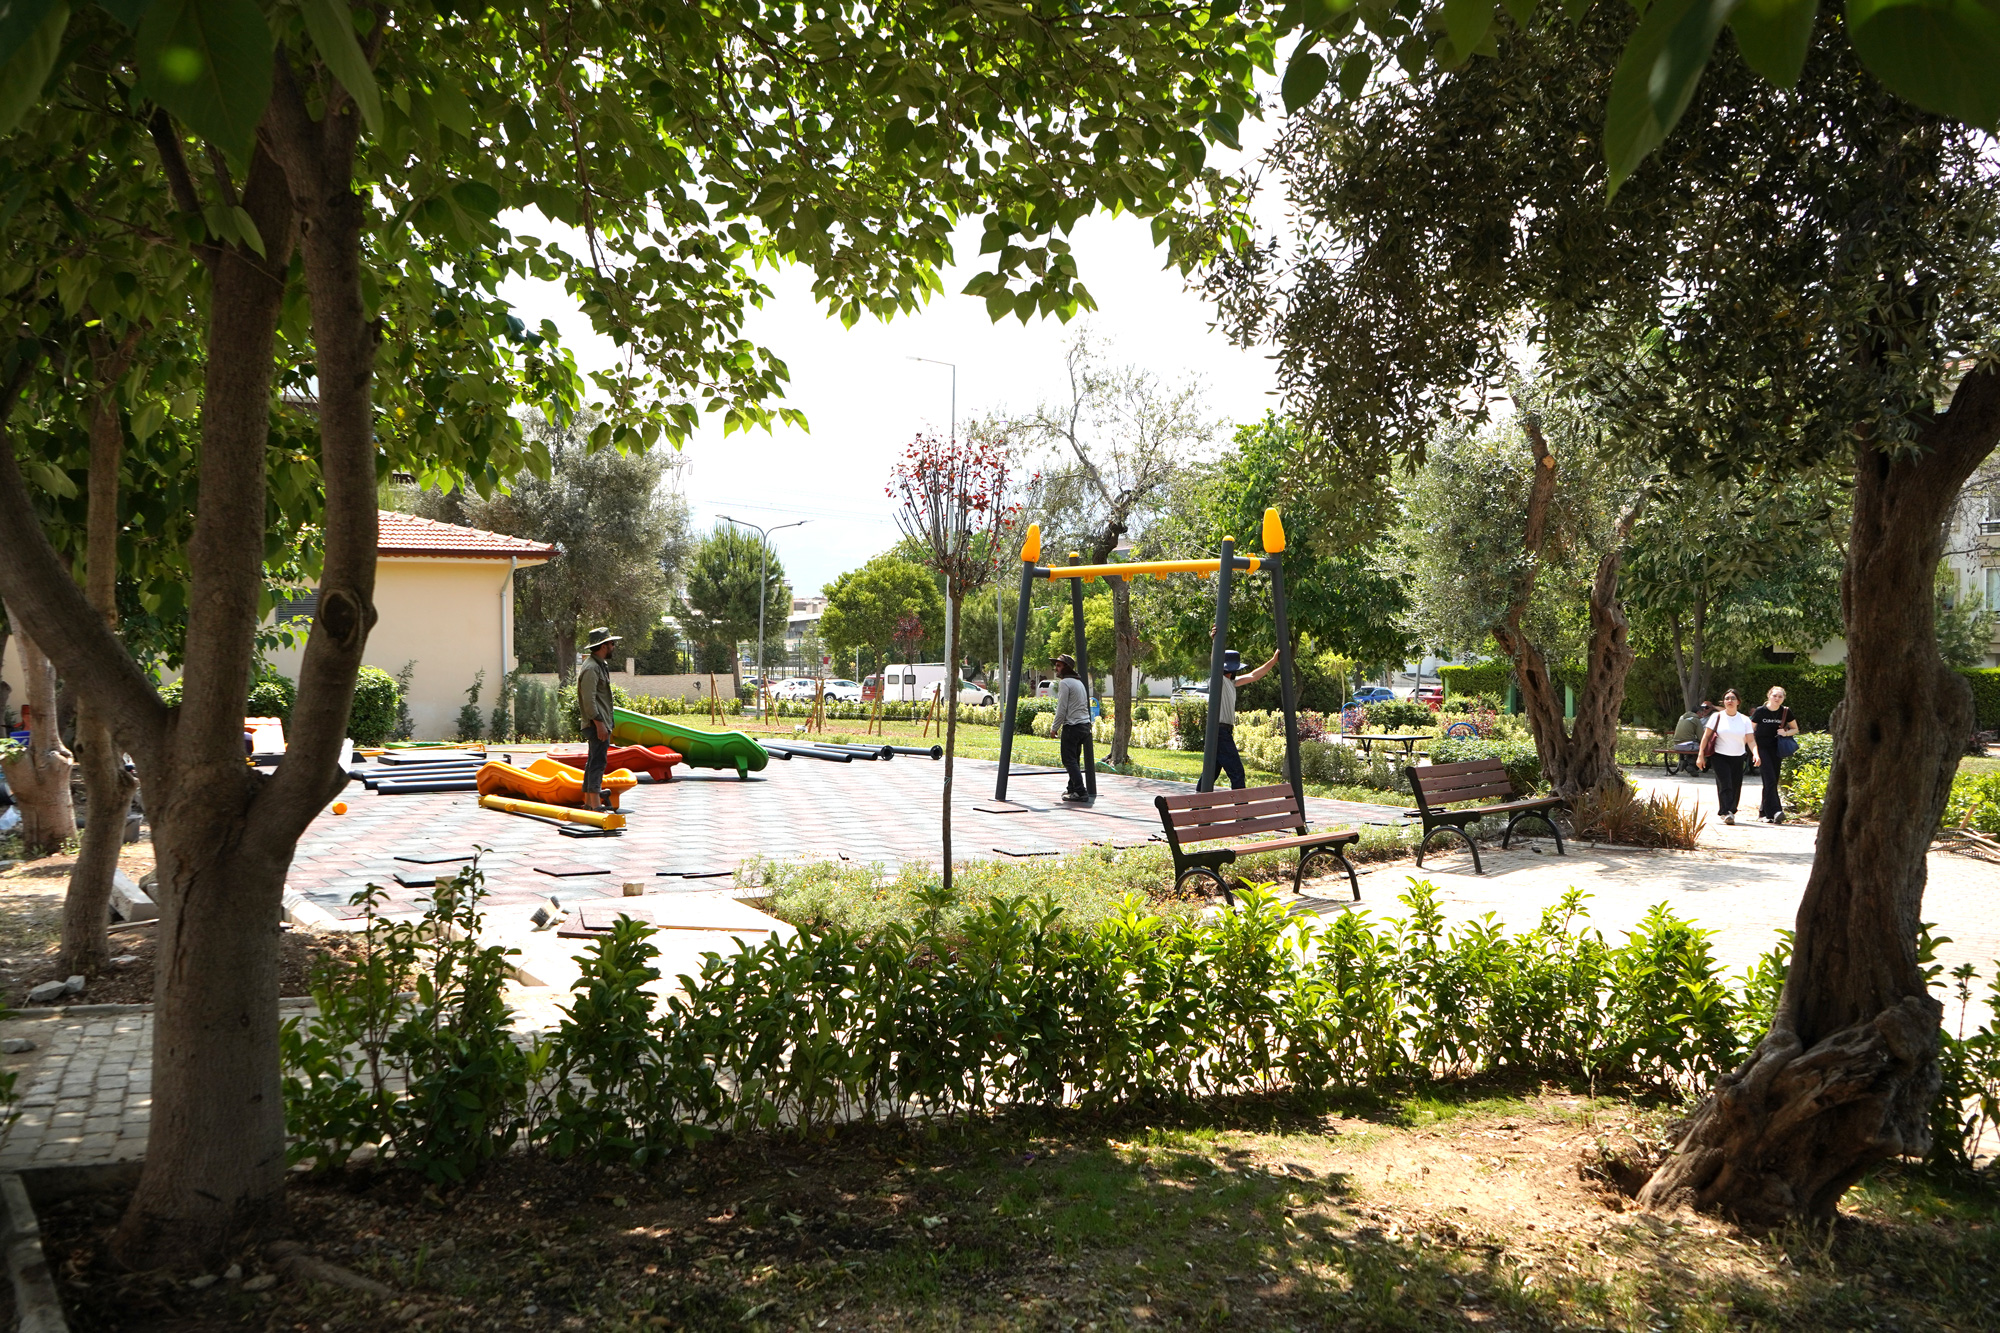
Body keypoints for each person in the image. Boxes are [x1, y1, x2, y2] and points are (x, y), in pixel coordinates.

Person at [1213, 645, 1279, 790]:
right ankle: (1241, 804)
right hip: (1220, 731)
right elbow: (1215, 665)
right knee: (1237, 772)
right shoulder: (1218, 680)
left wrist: (1273, 660)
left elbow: (1254, 675)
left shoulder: (1231, 682)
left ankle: (1198, 802)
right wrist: (1215, 643)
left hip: (1223, 731)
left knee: (1210, 773)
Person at [1696, 688, 1760, 825]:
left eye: (1732, 698)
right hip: (1719, 756)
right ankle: (1725, 812)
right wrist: (1700, 755)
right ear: (1723, 702)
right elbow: (1706, 737)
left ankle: (1731, 810)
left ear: (1738, 702)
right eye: (1727, 698)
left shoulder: (1744, 720)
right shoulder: (1716, 717)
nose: (1729, 701)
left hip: (1738, 756)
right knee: (1725, 784)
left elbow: (1750, 740)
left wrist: (1756, 754)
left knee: (1736, 785)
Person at [577, 627, 621, 811]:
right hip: (596, 724)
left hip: (599, 722)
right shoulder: (592, 668)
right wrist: (600, 724)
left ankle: (589, 801)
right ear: (603, 646)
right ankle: (595, 804)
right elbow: (589, 700)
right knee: (598, 762)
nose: (614, 646)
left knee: (593, 761)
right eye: (612, 643)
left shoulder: (599, 665)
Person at [1750, 685, 1800, 823]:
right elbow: (1750, 730)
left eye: (1780, 696)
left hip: (1777, 749)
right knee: (1770, 779)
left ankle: (1763, 813)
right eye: (1774, 696)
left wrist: (1786, 733)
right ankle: (1776, 811)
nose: (1777, 698)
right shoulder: (1760, 711)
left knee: (1771, 781)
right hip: (1762, 748)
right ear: (1769, 696)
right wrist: (1753, 750)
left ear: (1783, 698)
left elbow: (1795, 729)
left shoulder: (1785, 711)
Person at [1050, 653, 1094, 803]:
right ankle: (1072, 789)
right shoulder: (1078, 682)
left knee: (1068, 760)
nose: (1056, 668)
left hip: (1072, 726)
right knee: (1074, 759)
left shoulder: (1065, 683)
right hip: (1084, 726)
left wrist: (1054, 728)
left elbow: (1061, 708)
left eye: (1059, 665)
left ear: (1066, 667)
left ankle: (1080, 791)